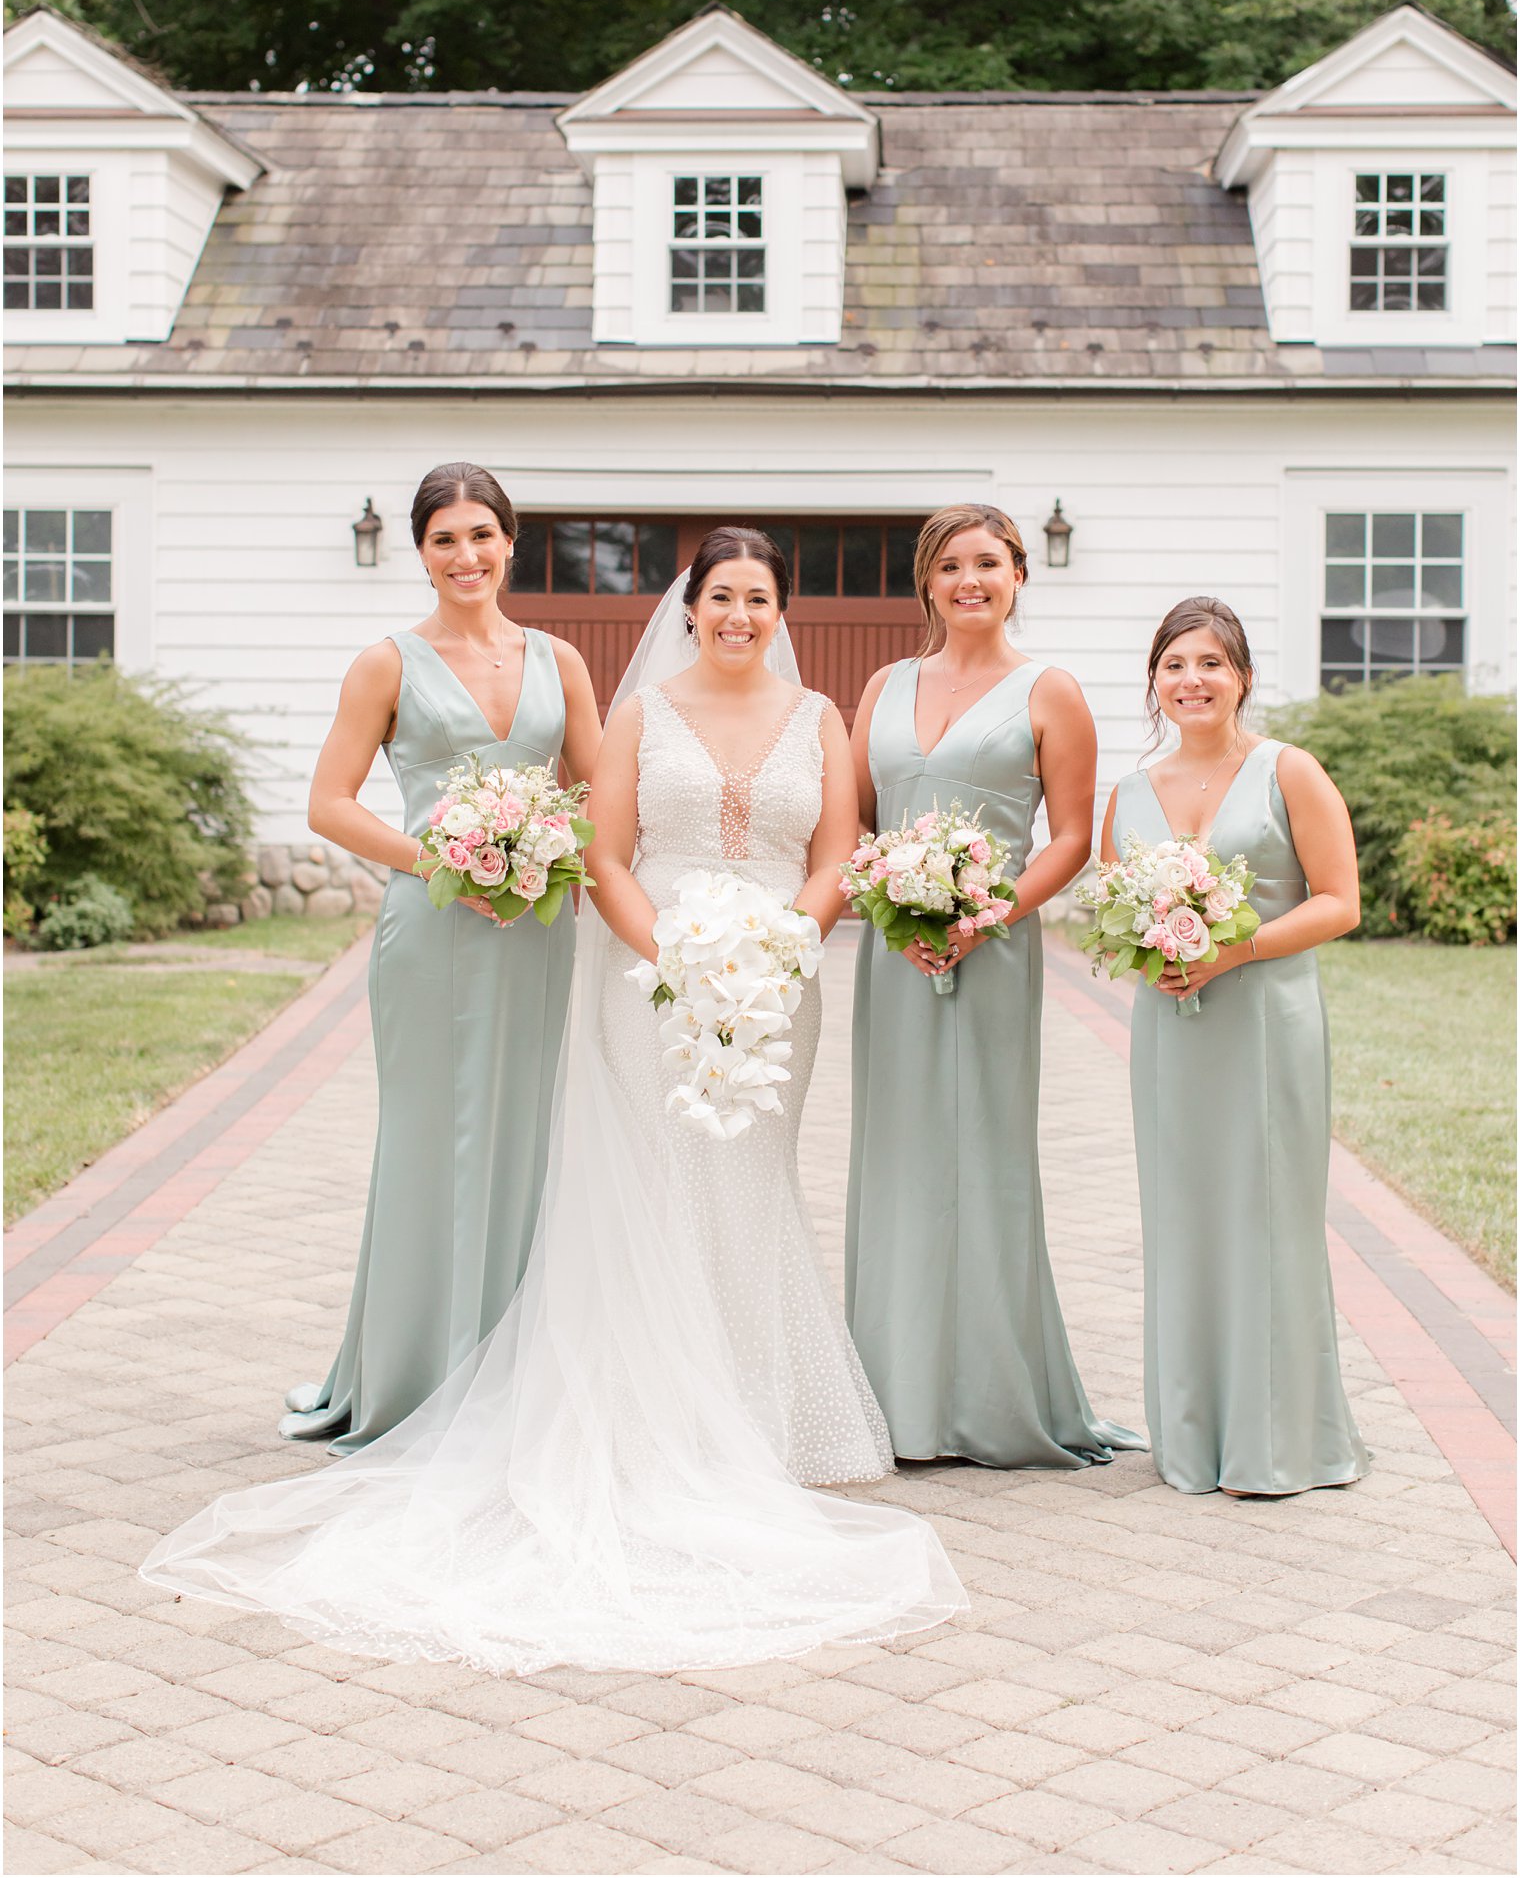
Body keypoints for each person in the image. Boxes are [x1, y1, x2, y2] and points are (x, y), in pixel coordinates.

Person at [140, 528, 964, 1674]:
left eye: (757, 599)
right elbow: (608, 853)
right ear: (689, 611)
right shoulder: (637, 716)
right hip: (652, 971)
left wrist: (782, 940)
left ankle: (758, 1413)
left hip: (779, 978)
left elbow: (835, 849)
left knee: (752, 1173)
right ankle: (663, 1417)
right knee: (660, 1173)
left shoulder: (821, 720)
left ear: (783, 612)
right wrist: (673, 954)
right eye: (718, 597)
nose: (737, 614)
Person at [280, 461, 600, 1452]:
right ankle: (415, 1370)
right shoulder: (386, 663)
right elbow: (327, 802)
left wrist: (542, 857)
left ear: (512, 543)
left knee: (524, 1136)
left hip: (540, 931)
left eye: (482, 535)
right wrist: (450, 860)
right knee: (431, 1140)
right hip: (432, 927)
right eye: (444, 540)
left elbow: (597, 790)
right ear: (420, 554)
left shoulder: (561, 661)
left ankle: (515, 1365)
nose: (466, 556)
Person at [847, 503, 1139, 1469]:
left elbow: (1068, 838)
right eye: (949, 566)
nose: (969, 580)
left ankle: (989, 1394)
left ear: (1020, 574)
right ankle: (891, 1394)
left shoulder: (1050, 691)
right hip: (893, 955)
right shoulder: (882, 684)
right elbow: (851, 821)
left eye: (988, 563)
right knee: (896, 1153)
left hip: (994, 946)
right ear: (926, 583)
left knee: (983, 1151)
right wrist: (893, 903)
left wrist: (985, 915)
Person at [1102, 595, 1369, 1498]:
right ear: (1155, 684)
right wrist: (1158, 953)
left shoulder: (1289, 770)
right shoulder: (1128, 795)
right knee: (1184, 1222)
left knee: (1269, 1216)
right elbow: (1111, 913)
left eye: (1211, 663)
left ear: (1243, 677)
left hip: (1267, 1021)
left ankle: (1281, 1442)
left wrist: (1235, 948)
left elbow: (1340, 900)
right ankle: (1192, 1436)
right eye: (1175, 665)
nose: (1193, 680)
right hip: (1171, 1032)